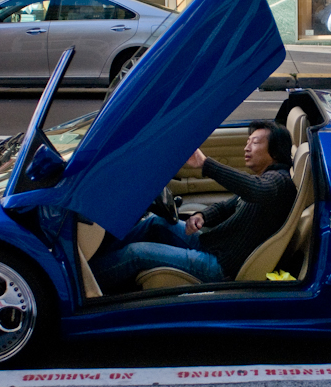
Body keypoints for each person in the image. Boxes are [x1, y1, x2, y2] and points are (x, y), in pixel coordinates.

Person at [90, 120, 296, 291]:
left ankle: (87, 284)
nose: (246, 147)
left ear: (275, 151)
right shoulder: (266, 179)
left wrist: (205, 164)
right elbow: (226, 207)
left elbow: (255, 189)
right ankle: (96, 262)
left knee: (137, 253)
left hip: (220, 267)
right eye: (247, 141)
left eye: (255, 142)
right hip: (215, 246)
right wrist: (202, 216)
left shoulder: (279, 182)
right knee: (155, 222)